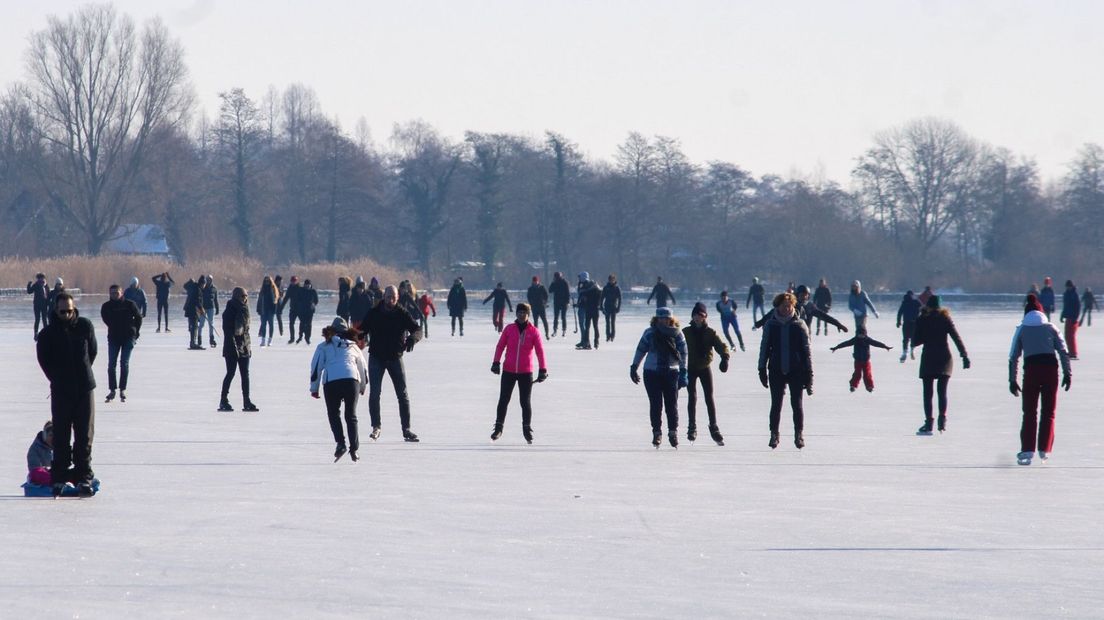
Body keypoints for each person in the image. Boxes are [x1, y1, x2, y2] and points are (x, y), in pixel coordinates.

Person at [36, 292, 97, 496]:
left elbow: (92, 352)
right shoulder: (47, 334)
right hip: (62, 391)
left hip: (84, 389)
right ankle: (59, 477)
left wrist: (81, 374)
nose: (67, 314)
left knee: (84, 436)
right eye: (63, 311)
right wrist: (59, 379)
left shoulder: (85, 326)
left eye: (70, 311)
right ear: (56, 310)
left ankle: (83, 477)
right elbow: (44, 361)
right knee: (61, 435)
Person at [1009, 294, 1072, 466]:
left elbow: (1013, 356)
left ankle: (1028, 451)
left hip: (1031, 372)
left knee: (1029, 412)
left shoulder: (1021, 328)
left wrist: (1012, 380)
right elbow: (1063, 351)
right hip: (1051, 371)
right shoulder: (1051, 327)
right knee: (1048, 411)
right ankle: (1045, 449)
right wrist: (1068, 373)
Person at [358, 285, 423, 442]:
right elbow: (361, 330)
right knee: (375, 394)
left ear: (397, 298)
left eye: (393, 297)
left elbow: (417, 329)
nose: (391, 300)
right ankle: (376, 427)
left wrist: (412, 339)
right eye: (388, 297)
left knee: (403, 394)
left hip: (395, 357)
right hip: (376, 358)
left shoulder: (402, 313)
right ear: (384, 297)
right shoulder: (374, 313)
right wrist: (346, 337)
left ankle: (406, 429)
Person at [757, 293, 813, 450]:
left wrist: (809, 373)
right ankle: (774, 434)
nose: (786, 309)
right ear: (777, 307)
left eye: (789, 306)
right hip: (776, 369)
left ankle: (798, 434)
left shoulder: (800, 325)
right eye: (783, 306)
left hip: (796, 370)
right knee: (776, 404)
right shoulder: (770, 325)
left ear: (793, 306)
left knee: (797, 404)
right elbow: (764, 348)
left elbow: (807, 351)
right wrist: (761, 368)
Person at [310, 317, 368, 462]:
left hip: (332, 382)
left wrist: (314, 388)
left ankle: (340, 443)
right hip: (351, 380)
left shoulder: (323, 346)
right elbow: (363, 368)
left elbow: (316, 368)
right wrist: (362, 386)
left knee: (333, 413)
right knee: (351, 415)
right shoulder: (354, 346)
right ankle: (354, 449)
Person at [630, 307, 688, 449]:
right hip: (652, 372)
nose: (664, 320)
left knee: (671, 404)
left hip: (672, 373)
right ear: (656, 319)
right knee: (656, 404)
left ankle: (673, 433)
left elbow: (684, 353)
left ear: (671, 319)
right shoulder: (650, 333)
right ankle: (657, 433)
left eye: (666, 318)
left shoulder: (677, 334)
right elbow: (641, 349)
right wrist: (634, 366)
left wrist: (684, 371)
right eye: (661, 318)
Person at [490, 302, 548, 443]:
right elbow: (500, 346)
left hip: (525, 372)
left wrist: (543, 369)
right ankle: (498, 428)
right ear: (516, 313)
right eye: (519, 312)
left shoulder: (534, 331)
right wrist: (496, 362)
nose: (521, 315)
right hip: (509, 370)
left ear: (528, 314)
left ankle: (527, 429)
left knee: (525, 402)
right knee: (503, 400)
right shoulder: (509, 329)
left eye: (524, 312)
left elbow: (540, 352)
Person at [912, 295, 969, 435]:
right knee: (942, 392)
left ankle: (928, 423)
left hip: (929, 358)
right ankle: (942, 420)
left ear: (928, 305)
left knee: (928, 393)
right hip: (944, 358)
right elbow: (956, 337)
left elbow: (916, 340)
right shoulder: (945, 319)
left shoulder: (923, 319)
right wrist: (964, 355)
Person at [683, 302, 729, 446]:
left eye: (701, 315)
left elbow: (721, 346)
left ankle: (714, 427)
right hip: (690, 368)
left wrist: (725, 357)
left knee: (709, 397)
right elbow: (677, 346)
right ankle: (692, 427)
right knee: (692, 396)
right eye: (696, 315)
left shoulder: (710, 332)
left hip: (704, 368)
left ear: (705, 317)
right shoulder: (685, 332)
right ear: (693, 316)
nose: (698, 318)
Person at [100, 284, 143, 403]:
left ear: (121, 293)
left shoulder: (129, 304)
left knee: (124, 363)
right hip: (114, 338)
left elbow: (139, 317)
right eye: (112, 293)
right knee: (111, 364)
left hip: (128, 337)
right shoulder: (106, 306)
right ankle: (112, 389)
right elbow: (106, 319)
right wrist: (114, 326)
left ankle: (122, 389)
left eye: (116, 293)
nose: (114, 295)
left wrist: (135, 332)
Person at [219, 287, 258, 412]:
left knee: (245, 374)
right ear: (236, 296)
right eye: (242, 296)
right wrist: (234, 347)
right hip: (232, 347)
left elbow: (246, 332)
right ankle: (223, 400)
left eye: (246, 296)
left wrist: (248, 347)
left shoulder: (245, 310)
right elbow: (228, 332)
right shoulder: (229, 311)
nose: (245, 298)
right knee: (230, 373)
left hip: (244, 346)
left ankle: (247, 401)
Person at [754, 285, 847, 335]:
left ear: (808, 296)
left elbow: (824, 316)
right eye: (802, 295)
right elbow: (773, 312)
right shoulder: (791, 305)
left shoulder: (810, 307)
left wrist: (838, 324)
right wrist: (760, 323)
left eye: (806, 295)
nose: (803, 297)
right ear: (797, 295)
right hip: (791, 335)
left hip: (805, 336)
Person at [830, 327, 892, 393]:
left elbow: (876, 343)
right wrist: (836, 347)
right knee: (857, 373)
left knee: (867, 374)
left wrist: (885, 346)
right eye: (859, 335)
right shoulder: (855, 340)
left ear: (865, 334)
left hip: (866, 361)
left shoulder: (867, 340)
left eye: (862, 335)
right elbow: (845, 343)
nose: (861, 336)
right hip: (858, 361)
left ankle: (869, 386)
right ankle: (853, 386)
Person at [576, 272, 602, 349]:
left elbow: (581, 294)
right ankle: (593, 342)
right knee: (593, 326)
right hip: (593, 310)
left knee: (588, 326)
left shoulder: (587, 288)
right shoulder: (596, 290)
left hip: (588, 309)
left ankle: (587, 342)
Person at [896, 290, 922, 362]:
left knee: (905, 338)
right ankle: (912, 351)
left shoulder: (904, 302)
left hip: (906, 323)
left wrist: (898, 322)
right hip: (915, 323)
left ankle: (904, 352)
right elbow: (923, 310)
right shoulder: (916, 302)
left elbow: (900, 313)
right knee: (913, 338)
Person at [27, 421, 53, 487]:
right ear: (45, 435)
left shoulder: (61, 448)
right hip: (40, 475)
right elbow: (34, 468)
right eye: (50, 435)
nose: (53, 438)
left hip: (56, 474)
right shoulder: (35, 448)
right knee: (37, 473)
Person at [256, 275, 280, 347]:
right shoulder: (262, 290)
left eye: (268, 281)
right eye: (265, 281)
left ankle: (270, 340)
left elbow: (276, 300)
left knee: (271, 325)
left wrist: (275, 309)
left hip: (271, 310)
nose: (267, 282)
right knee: (263, 325)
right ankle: (263, 341)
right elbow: (259, 300)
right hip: (263, 310)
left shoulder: (273, 289)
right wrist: (258, 309)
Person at [183, 276, 206, 350]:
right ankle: (193, 343)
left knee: (192, 327)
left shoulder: (194, 287)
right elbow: (198, 301)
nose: (204, 286)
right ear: (202, 283)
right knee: (194, 327)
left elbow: (186, 286)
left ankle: (192, 342)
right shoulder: (198, 289)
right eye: (204, 284)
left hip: (191, 310)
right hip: (193, 311)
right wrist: (201, 309)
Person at [1059, 280, 1080, 359]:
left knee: (1071, 336)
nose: (1068, 288)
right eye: (1067, 287)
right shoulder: (1066, 294)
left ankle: (1073, 353)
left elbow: (1078, 307)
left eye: (1069, 286)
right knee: (1067, 336)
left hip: (1073, 318)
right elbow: (1065, 306)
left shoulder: (1074, 295)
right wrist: (1062, 315)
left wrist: (1076, 317)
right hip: (1068, 317)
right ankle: (1070, 351)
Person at [294, 279, 320, 344]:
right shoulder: (301, 290)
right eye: (306, 285)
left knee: (309, 324)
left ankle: (307, 338)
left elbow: (316, 300)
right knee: (302, 323)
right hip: (302, 310)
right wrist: (299, 306)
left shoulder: (313, 291)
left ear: (310, 285)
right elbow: (297, 299)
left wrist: (313, 304)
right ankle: (300, 336)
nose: (307, 286)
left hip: (310, 311)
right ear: (304, 285)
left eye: (308, 285)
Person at [527, 276, 551, 340]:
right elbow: (529, 297)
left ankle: (547, 334)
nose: (535, 282)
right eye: (534, 281)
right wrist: (531, 303)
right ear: (532, 281)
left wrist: (545, 302)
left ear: (538, 281)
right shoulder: (530, 288)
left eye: (536, 281)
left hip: (541, 306)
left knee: (544, 320)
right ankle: (535, 335)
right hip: (534, 307)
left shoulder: (542, 287)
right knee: (535, 321)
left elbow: (546, 295)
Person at [27, 272, 50, 338]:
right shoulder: (36, 285)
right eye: (39, 278)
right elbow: (29, 291)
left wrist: (49, 303)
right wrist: (29, 284)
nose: (40, 280)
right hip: (37, 305)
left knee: (44, 319)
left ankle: (46, 332)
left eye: (42, 278)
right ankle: (36, 333)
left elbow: (48, 294)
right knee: (37, 319)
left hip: (44, 305)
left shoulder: (46, 285)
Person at [549, 271, 571, 337]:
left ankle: (564, 330)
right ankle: (555, 330)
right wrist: (553, 283)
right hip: (557, 302)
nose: (556, 278)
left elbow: (568, 293)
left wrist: (568, 302)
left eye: (557, 277)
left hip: (563, 302)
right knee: (556, 317)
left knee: (562, 317)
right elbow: (550, 290)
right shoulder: (555, 283)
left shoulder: (565, 283)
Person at [601, 274, 622, 342]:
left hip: (613, 307)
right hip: (607, 306)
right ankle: (608, 336)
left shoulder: (617, 288)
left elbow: (620, 299)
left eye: (612, 280)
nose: (611, 281)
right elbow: (602, 297)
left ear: (614, 280)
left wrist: (618, 307)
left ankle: (612, 336)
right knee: (607, 323)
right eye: (610, 280)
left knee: (612, 323)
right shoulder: (606, 287)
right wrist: (601, 306)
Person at [281, 276, 302, 344]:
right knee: (291, 324)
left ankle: (300, 336)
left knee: (302, 323)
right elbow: (286, 298)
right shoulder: (290, 289)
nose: (293, 282)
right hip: (292, 309)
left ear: (297, 281)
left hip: (300, 309)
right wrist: (281, 308)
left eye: (295, 281)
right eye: (292, 281)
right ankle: (292, 338)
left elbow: (304, 298)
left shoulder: (300, 288)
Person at [201, 275, 220, 348]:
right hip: (203, 308)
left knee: (211, 324)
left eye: (210, 280)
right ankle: (199, 338)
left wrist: (217, 308)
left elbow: (215, 300)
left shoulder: (214, 289)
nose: (209, 281)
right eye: (208, 280)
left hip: (211, 308)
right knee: (201, 324)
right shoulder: (203, 288)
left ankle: (211, 339)